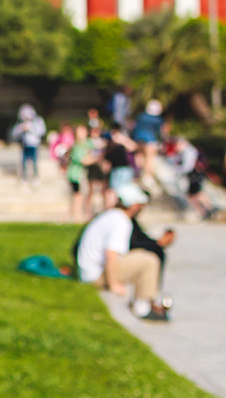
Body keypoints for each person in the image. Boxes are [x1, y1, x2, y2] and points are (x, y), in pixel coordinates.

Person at [74, 185, 170, 321]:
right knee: (149, 261)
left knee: (141, 257)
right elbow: (111, 254)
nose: (141, 207)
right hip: (94, 276)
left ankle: (143, 301)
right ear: (132, 205)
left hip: (87, 272)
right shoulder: (121, 221)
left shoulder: (110, 215)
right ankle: (142, 307)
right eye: (140, 204)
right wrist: (114, 285)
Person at [65, 124, 100, 225]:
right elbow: (83, 160)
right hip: (75, 175)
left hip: (81, 174)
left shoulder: (86, 144)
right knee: (78, 196)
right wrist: (96, 158)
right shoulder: (77, 146)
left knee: (81, 196)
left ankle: (73, 215)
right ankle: (76, 216)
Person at [10, 105, 46, 185]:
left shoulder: (38, 121)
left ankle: (35, 178)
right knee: (24, 162)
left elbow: (41, 132)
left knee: (34, 162)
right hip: (24, 144)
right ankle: (24, 178)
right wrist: (21, 129)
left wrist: (30, 128)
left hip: (34, 145)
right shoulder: (21, 123)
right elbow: (14, 134)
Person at [132, 99, 165, 185]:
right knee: (150, 158)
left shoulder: (141, 116)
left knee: (140, 155)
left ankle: (139, 174)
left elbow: (135, 128)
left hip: (139, 139)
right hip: (151, 140)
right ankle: (148, 176)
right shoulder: (157, 119)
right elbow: (159, 132)